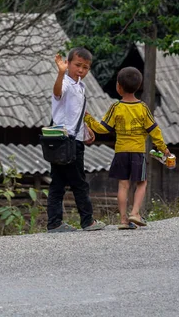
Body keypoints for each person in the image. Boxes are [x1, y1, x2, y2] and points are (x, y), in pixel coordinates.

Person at [85, 67, 170, 229]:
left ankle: (124, 220)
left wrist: (88, 118)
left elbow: (103, 129)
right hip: (138, 152)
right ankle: (135, 213)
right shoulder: (143, 108)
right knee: (141, 183)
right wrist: (163, 148)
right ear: (139, 87)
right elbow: (154, 130)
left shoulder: (116, 107)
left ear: (118, 87)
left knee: (123, 185)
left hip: (121, 152)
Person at [47, 47, 106, 232]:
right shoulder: (65, 82)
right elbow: (57, 92)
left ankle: (54, 223)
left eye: (86, 67)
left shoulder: (80, 86)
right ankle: (87, 221)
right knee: (79, 182)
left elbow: (75, 113)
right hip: (66, 140)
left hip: (73, 138)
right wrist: (61, 73)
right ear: (68, 63)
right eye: (77, 65)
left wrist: (85, 129)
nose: (81, 70)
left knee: (58, 182)